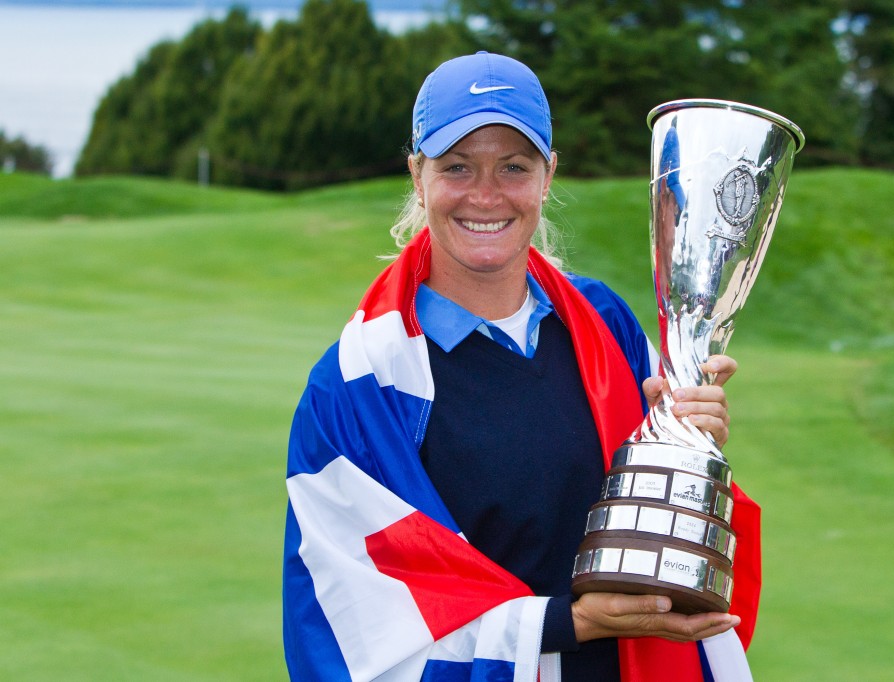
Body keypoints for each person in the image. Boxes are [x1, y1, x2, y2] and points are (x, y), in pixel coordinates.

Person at [283, 51, 761, 681]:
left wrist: (685, 433)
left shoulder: (604, 322)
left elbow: (656, 527)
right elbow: (357, 625)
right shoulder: (356, 387)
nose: (486, 195)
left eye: (513, 167)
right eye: (457, 166)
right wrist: (576, 622)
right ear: (417, 174)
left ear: (547, 175)